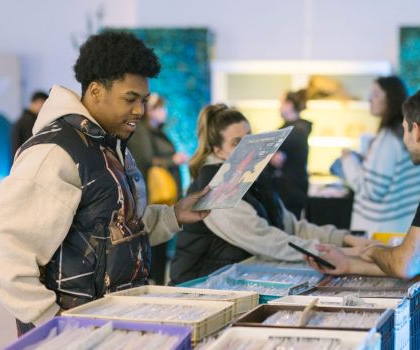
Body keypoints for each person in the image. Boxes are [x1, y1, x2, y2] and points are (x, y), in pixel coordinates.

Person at [0, 31, 209, 336]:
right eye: (130, 99)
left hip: (110, 327)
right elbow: (6, 251)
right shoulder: (55, 152)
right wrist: (54, 323)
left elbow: (113, 227)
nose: (140, 110)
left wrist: (173, 216)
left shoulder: (109, 145)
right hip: (72, 336)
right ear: (95, 91)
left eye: (144, 100)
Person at [307, 88, 420, 350]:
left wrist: (371, 251)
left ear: (416, 131)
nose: (405, 138)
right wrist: (349, 264)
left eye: (405, 130)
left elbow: (406, 264)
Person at [170, 104, 373, 285]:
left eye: (249, 138)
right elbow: (267, 240)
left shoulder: (250, 178)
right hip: (201, 289)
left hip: (229, 284)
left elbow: (292, 227)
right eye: (236, 143)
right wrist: (341, 254)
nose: (246, 147)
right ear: (218, 150)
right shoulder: (215, 189)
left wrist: (345, 239)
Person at [340, 76, 420, 235]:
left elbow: (371, 190)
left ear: (391, 98)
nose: (369, 99)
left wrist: (348, 161)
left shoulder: (388, 138)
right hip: (404, 226)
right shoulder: (410, 132)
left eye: (376, 94)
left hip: (380, 234)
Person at [128, 93, 188, 285]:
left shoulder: (157, 131)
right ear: (151, 110)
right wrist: (172, 160)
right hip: (151, 198)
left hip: (163, 199)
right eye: (160, 108)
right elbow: (145, 160)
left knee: (162, 243)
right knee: (154, 245)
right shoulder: (142, 132)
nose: (164, 112)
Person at [270, 89, 312, 219]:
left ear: (289, 104)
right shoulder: (295, 128)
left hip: (290, 192)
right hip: (289, 190)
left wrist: (270, 154)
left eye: (282, 103)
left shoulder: (296, 130)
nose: (279, 107)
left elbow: (270, 147)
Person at [11, 91, 48, 159]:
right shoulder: (29, 121)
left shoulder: (23, 119)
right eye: (44, 104)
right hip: (26, 161)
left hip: (20, 162)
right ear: (39, 102)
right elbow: (31, 144)